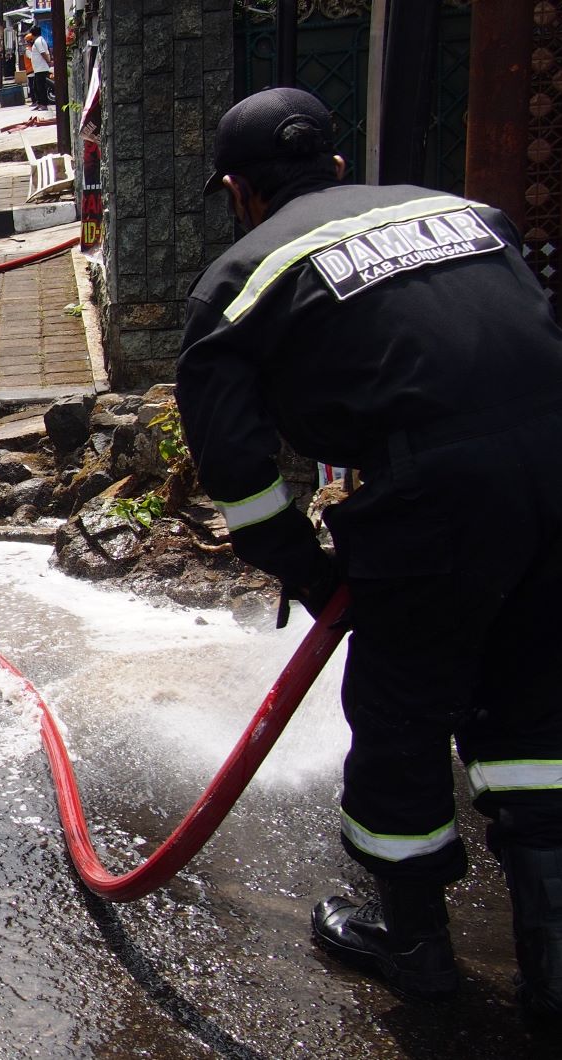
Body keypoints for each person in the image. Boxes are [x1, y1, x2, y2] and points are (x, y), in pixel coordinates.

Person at [176, 86, 562, 1019]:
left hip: (432, 501)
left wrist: (309, 572)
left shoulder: (241, 278)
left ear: (237, 191)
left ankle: (413, 945)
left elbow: (237, 472)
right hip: (554, 474)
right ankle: (553, 963)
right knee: (535, 700)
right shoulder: (468, 215)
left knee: (399, 712)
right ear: (338, 166)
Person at [26, 31, 53, 110]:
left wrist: (48, 61)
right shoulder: (40, 41)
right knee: (36, 87)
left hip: (41, 69)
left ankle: (43, 104)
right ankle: (40, 103)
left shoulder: (38, 41)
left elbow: (43, 53)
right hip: (38, 69)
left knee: (41, 88)